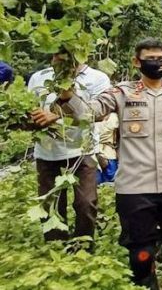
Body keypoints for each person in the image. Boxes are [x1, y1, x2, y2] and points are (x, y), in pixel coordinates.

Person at [51, 38, 162, 290]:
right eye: (150, 58)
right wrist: (67, 92)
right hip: (134, 189)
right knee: (141, 256)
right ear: (137, 61)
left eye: (161, 59)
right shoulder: (121, 93)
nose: (156, 63)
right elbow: (88, 113)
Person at [28, 53, 111, 243]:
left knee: (86, 202)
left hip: (83, 150)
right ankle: (55, 247)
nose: (61, 57)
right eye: (57, 52)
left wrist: (57, 115)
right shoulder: (38, 77)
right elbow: (31, 110)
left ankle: (83, 245)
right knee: (51, 204)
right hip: (46, 151)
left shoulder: (97, 78)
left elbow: (99, 115)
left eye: (66, 53)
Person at [95, 112, 120, 184]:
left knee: (97, 185)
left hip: (94, 153)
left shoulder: (89, 117)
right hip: (109, 153)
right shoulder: (114, 117)